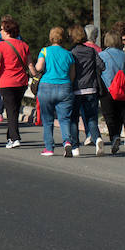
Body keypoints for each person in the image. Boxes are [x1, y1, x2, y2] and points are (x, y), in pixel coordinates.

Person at [32, 27, 76, 157]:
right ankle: (67, 142)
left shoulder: (44, 51)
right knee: (64, 119)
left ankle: (49, 148)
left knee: (47, 120)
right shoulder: (69, 54)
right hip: (65, 87)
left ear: (51, 37)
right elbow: (72, 75)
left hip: (46, 87)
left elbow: (38, 67)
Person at [0, 17, 30, 148]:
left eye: (1, 29)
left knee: (11, 111)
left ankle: (15, 138)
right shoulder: (24, 45)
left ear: (7, 31)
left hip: (6, 82)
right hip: (21, 82)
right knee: (14, 109)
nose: (0, 32)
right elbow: (30, 65)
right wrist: (37, 76)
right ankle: (11, 136)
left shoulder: (1, 46)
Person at [98, 31, 125, 155]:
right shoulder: (124, 55)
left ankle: (114, 137)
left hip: (107, 90)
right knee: (120, 114)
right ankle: (117, 135)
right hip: (122, 89)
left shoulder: (102, 55)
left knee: (109, 116)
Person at [67, 24, 104, 155]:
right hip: (91, 89)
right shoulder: (92, 51)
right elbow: (102, 66)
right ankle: (97, 138)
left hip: (76, 90)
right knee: (92, 118)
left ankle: (75, 147)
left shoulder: (71, 52)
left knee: (74, 119)